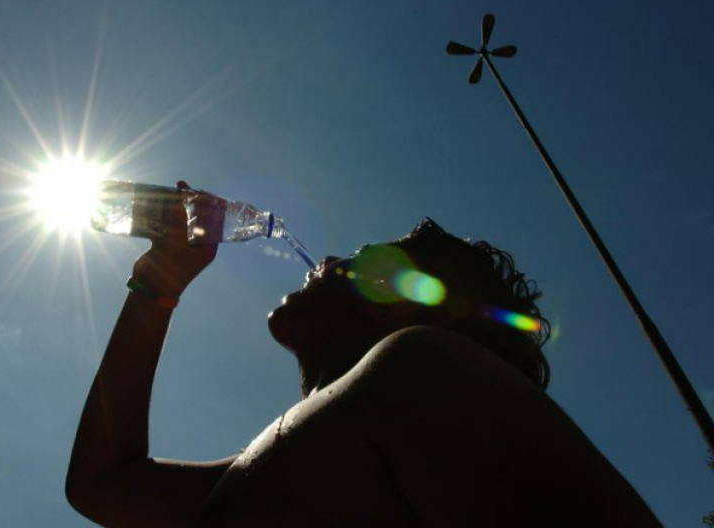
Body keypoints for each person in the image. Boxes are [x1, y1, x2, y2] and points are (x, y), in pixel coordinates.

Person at [66, 184, 662, 527]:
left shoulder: (423, 367)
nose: (324, 260)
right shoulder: (303, 458)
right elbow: (103, 485)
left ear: (394, 299)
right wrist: (157, 284)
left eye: (366, 260)